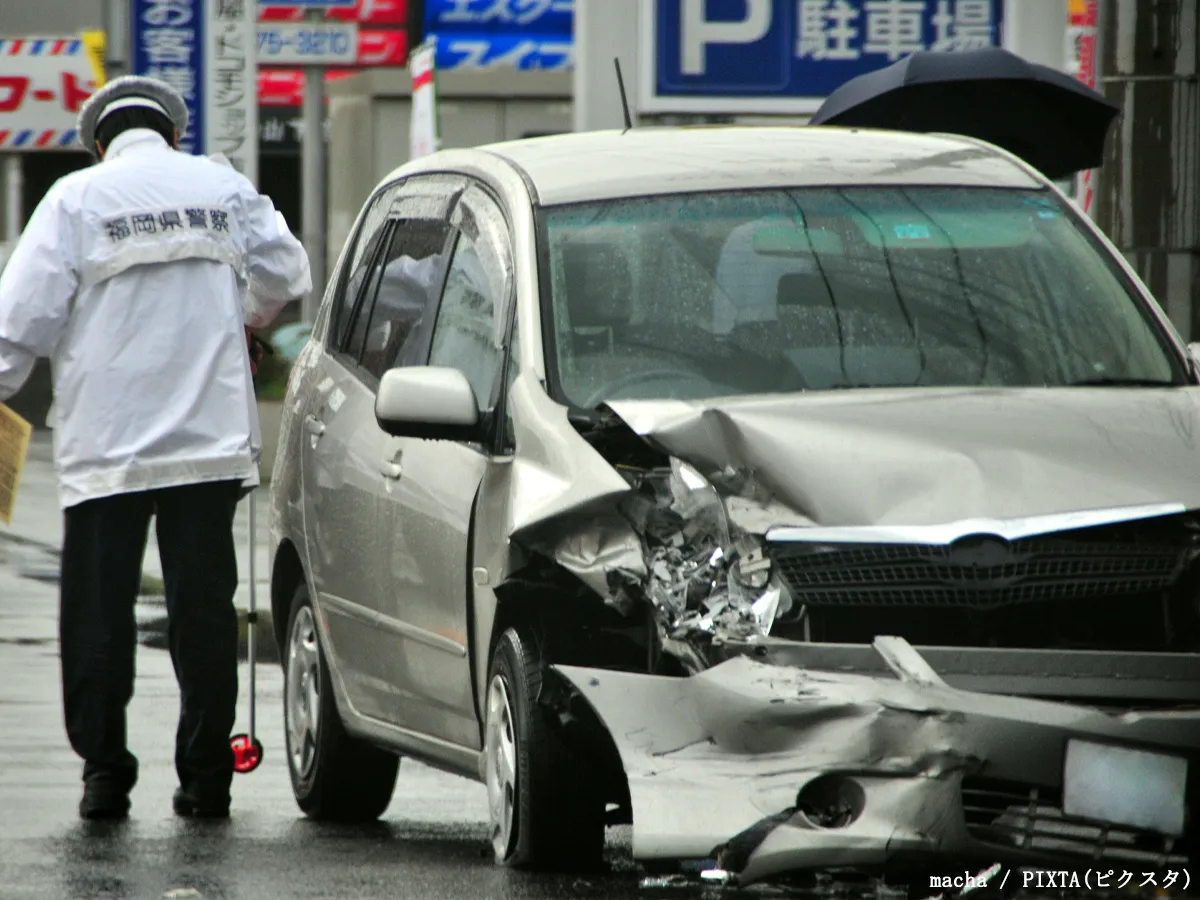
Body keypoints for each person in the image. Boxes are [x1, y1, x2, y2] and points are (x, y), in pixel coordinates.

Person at [0, 76, 311, 820]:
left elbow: (16, 326)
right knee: (204, 614)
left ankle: (105, 776)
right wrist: (246, 319)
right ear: (173, 133)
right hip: (206, 444)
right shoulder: (219, 185)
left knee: (98, 617)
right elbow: (287, 273)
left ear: (99, 141)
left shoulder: (75, 200)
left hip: (108, 449)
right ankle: (206, 780)